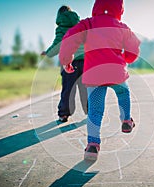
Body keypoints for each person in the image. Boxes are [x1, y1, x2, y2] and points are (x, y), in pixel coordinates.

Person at [59, 0, 140, 160]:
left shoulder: (88, 24)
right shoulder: (121, 27)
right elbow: (134, 46)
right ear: (119, 8)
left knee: (95, 111)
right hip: (116, 73)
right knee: (123, 93)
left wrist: (66, 60)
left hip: (94, 75)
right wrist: (127, 58)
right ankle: (126, 120)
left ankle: (92, 146)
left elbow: (69, 38)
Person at [41, 5, 87, 122]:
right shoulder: (81, 26)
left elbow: (58, 45)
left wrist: (47, 53)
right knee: (85, 88)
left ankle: (64, 114)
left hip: (69, 62)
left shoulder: (62, 28)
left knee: (68, 89)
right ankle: (90, 112)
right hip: (85, 61)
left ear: (59, 16)